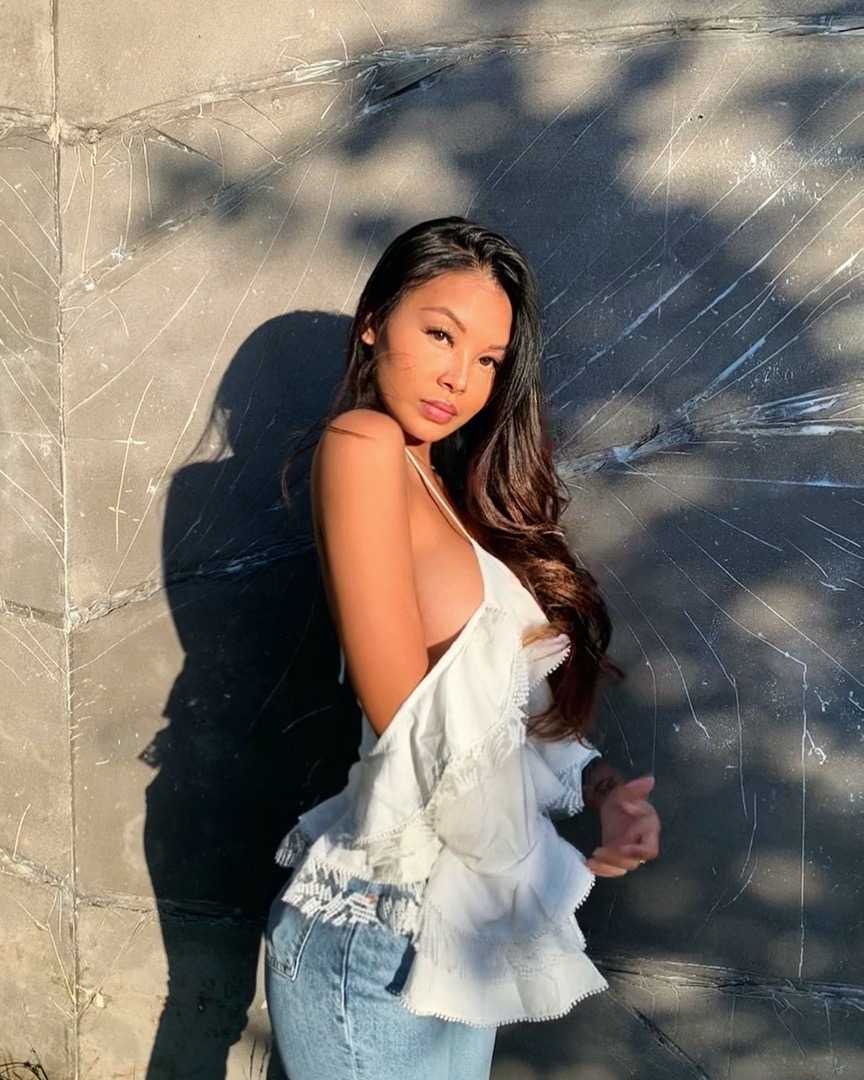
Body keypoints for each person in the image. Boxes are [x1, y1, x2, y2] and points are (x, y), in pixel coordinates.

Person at [265, 217, 661, 1080]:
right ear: (373, 323)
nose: (461, 377)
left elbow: (500, 716)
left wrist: (604, 789)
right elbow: (412, 730)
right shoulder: (363, 444)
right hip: (380, 936)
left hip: (461, 938)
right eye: (440, 334)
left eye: (488, 359)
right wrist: (537, 861)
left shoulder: (444, 489)